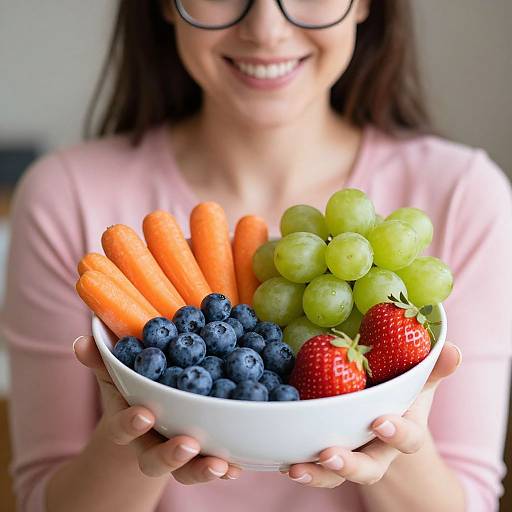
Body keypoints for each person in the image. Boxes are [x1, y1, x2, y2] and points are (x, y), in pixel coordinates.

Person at [2, 0, 511, 511]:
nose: (266, 29)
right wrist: (132, 438)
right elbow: (41, 500)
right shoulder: (62, 196)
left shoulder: (465, 196)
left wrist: (394, 443)